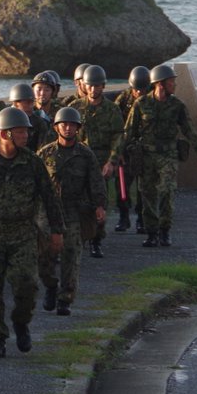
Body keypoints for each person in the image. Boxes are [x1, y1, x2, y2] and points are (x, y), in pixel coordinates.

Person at [0, 107, 65, 358]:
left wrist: (56, 231)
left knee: (26, 284)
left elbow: (50, 198)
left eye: (26, 131)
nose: (26, 136)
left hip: (23, 235)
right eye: (20, 132)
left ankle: (21, 322)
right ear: (4, 134)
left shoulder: (32, 163)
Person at [116, 64, 197, 248]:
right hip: (147, 156)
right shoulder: (141, 104)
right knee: (147, 193)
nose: (174, 85)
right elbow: (128, 132)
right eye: (171, 81)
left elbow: (190, 131)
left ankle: (164, 230)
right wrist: (116, 155)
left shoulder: (177, 106)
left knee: (167, 190)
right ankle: (152, 233)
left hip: (168, 155)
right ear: (160, 84)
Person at [37, 108, 106, 316]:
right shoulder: (45, 153)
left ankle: (65, 298)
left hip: (75, 210)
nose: (68, 128)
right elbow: (34, 181)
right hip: (49, 211)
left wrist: (99, 206)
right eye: (64, 124)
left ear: (77, 128)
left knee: (71, 255)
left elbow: (96, 181)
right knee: (44, 254)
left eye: (72, 125)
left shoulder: (85, 154)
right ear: (56, 127)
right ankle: (50, 285)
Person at [67, 65, 124, 258]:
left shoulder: (112, 109)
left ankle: (97, 240)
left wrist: (111, 162)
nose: (92, 89)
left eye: (97, 85)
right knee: (78, 203)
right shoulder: (75, 108)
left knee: (99, 202)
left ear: (103, 86)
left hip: (101, 162)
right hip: (78, 162)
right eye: (89, 85)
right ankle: (81, 238)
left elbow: (118, 136)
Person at [114, 66, 151, 233]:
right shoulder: (123, 99)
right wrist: (119, 151)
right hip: (126, 148)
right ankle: (123, 217)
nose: (139, 93)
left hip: (145, 149)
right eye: (136, 89)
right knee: (121, 185)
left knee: (143, 187)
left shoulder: (152, 99)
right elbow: (115, 123)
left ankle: (141, 219)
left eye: (142, 89)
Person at [9, 82, 53, 150]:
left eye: (32, 103)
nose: (30, 106)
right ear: (16, 104)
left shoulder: (39, 123)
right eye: (27, 103)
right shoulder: (5, 120)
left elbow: (43, 148)